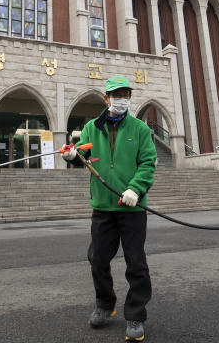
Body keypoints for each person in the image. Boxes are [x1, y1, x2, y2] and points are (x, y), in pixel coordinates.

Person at [63, 75, 156, 342]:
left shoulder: (139, 129)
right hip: (103, 207)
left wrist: (135, 189)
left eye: (126, 95)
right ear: (106, 98)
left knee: (136, 263)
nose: (121, 100)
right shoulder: (92, 126)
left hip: (132, 209)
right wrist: (73, 155)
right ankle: (105, 305)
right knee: (98, 260)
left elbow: (148, 164)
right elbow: (83, 153)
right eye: (116, 95)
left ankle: (136, 314)